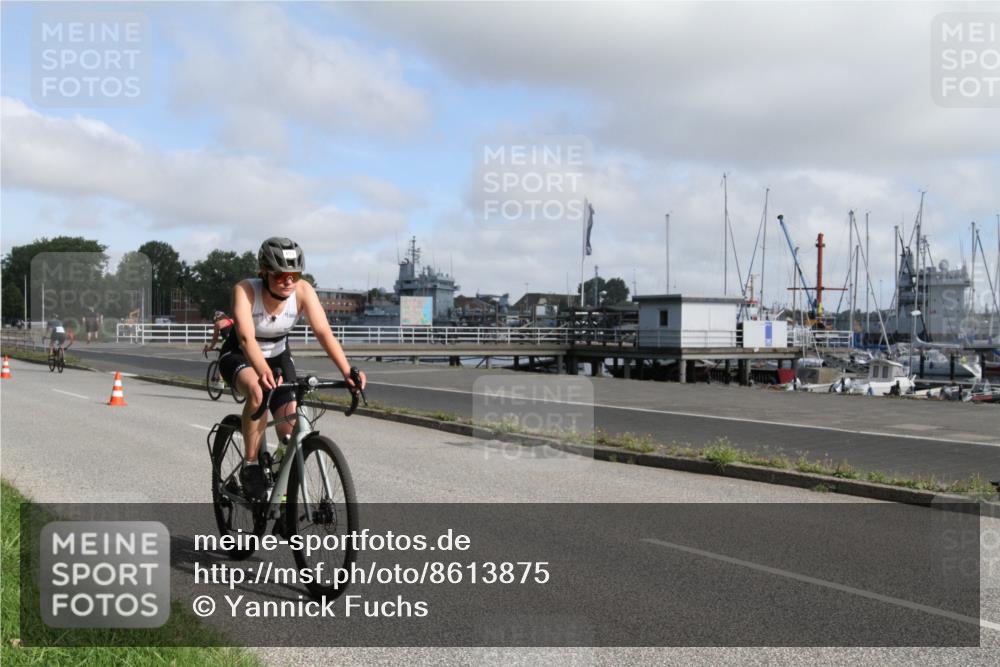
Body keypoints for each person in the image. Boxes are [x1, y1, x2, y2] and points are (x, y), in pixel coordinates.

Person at [218, 237, 366, 500]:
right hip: (240, 354)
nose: (288, 281)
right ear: (263, 272)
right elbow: (246, 338)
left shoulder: (303, 291)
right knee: (257, 389)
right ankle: (251, 465)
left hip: (278, 356)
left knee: (290, 430)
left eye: (295, 274)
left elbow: (323, 332)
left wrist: (347, 372)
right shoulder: (245, 290)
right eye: (281, 275)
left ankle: (279, 484)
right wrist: (261, 369)